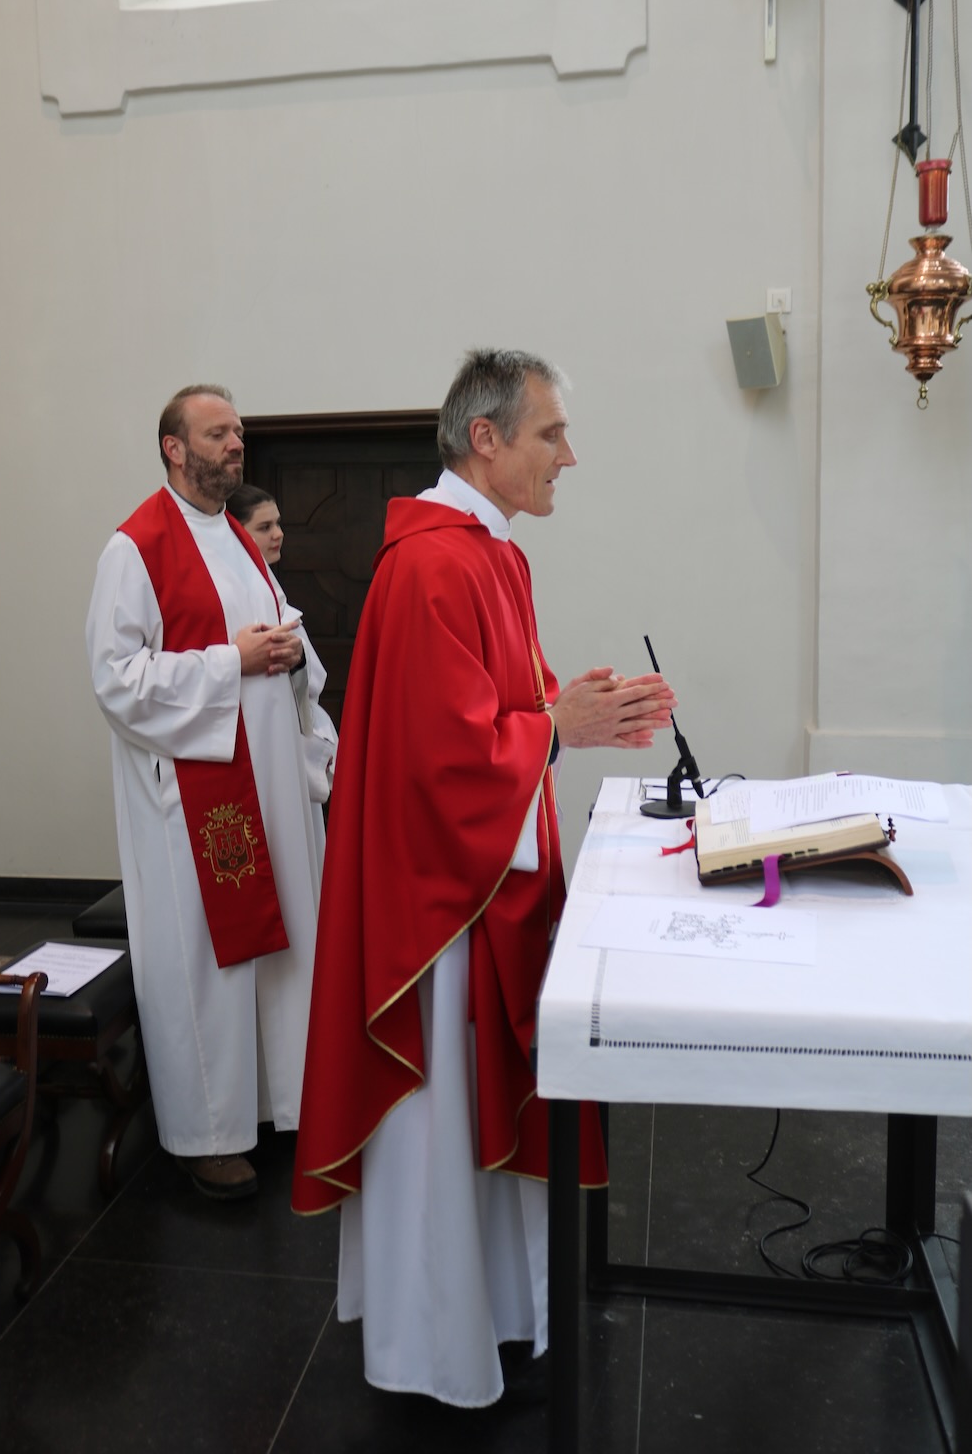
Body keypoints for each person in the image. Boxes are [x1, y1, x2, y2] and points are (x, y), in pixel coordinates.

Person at [291, 349, 675, 1406]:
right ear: (485, 438)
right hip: (439, 914)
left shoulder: (488, 553)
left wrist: (571, 711)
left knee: (475, 1118)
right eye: (551, 434)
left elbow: (499, 707)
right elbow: (443, 760)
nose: (567, 457)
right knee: (439, 1119)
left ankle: (498, 1309)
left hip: (478, 883)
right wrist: (554, 727)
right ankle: (431, 1341)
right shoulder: (434, 565)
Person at [86, 386, 321, 1201]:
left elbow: (277, 629)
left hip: (270, 783)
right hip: (194, 798)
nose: (235, 444)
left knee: (281, 948)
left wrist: (291, 651)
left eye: (238, 432)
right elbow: (115, 680)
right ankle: (208, 1133)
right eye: (217, 433)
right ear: (173, 448)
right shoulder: (135, 548)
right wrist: (231, 664)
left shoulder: (238, 540)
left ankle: (280, 1102)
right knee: (205, 966)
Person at [225, 484, 338, 853]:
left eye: (278, 523)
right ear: (236, 532)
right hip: (258, 752)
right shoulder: (234, 595)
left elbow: (312, 680)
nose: (278, 534)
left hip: (289, 739)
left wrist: (298, 657)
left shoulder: (270, 587)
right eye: (264, 527)